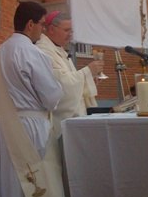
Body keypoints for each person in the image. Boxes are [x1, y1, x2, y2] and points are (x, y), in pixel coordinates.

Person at [0, 1, 70, 197]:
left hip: (8, 126)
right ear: (30, 23)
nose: (43, 30)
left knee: (13, 187)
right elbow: (51, 96)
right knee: (41, 185)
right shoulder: (32, 53)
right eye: (42, 24)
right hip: (33, 128)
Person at [36, 10, 104, 138]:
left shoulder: (60, 51)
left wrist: (89, 80)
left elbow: (73, 83)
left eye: (71, 31)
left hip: (75, 120)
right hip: (60, 123)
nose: (70, 35)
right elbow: (60, 85)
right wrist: (88, 71)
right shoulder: (43, 50)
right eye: (67, 30)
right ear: (51, 29)